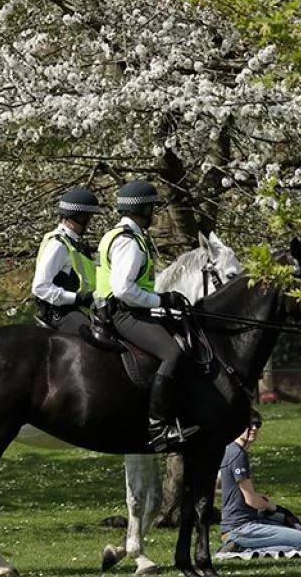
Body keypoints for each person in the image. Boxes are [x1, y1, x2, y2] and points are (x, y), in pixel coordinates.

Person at [94, 179, 197, 451]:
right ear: (142, 210)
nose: (154, 213)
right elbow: (123, 289)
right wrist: (160, 299)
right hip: (123, 313)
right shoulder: (130, 242)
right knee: (173, 352)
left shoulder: (117, 235)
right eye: (152, 208)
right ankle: (158, 426)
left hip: (120, 309)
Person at [218, 410, 301, 552]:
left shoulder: (229, 450)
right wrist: (270, 506)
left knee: (297, 533)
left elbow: (224, 487)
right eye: (249, 424)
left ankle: (240, 544)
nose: (254, 429)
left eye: (258, 425)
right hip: (241, 528)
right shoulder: (238, 454)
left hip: (240, 525)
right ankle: (242, 548)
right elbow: (250, 500)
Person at [31, 188, 101, 335]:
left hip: (77, 308)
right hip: (58, 311)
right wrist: (77, 299)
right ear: (78, 217)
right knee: (92, 338)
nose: (89, 223)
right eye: (88, 218)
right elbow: (40, 287)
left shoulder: (74, 243)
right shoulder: (58, 245)